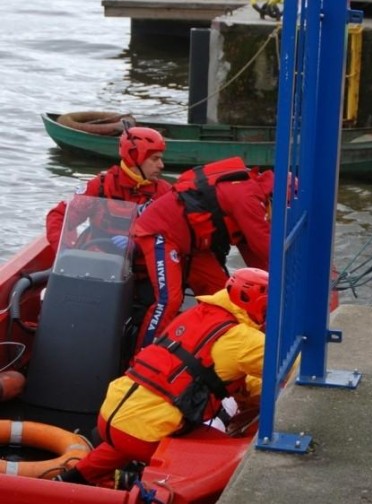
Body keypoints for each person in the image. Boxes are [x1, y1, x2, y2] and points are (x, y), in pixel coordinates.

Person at [53, 267, 269, 487]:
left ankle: (74, 477)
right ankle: (136, 484)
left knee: (132, 433)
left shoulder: (199, 315)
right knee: (231, 457)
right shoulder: (244, 339)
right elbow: (291, 370)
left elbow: (225, 371)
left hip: (110, 416)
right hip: (142, 434)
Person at [132, 156, 274, 351]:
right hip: (162, 233)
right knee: (169, 301)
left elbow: (257, 256)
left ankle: (215, 350)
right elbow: (265, 246)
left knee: (224, 297)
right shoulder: (249, 197)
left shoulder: (251, 193)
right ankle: (141, 357)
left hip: (194, 244)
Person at [45, 126, 171, 252]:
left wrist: (138, 243)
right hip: (99, 259)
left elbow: (175, 233)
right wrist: (64, 250)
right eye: (155, 159)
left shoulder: (164, 192)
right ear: (135, 156)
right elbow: (60, 216)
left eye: (161, 158)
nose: (161, 165)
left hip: (143, 263)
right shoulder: (101, 186)